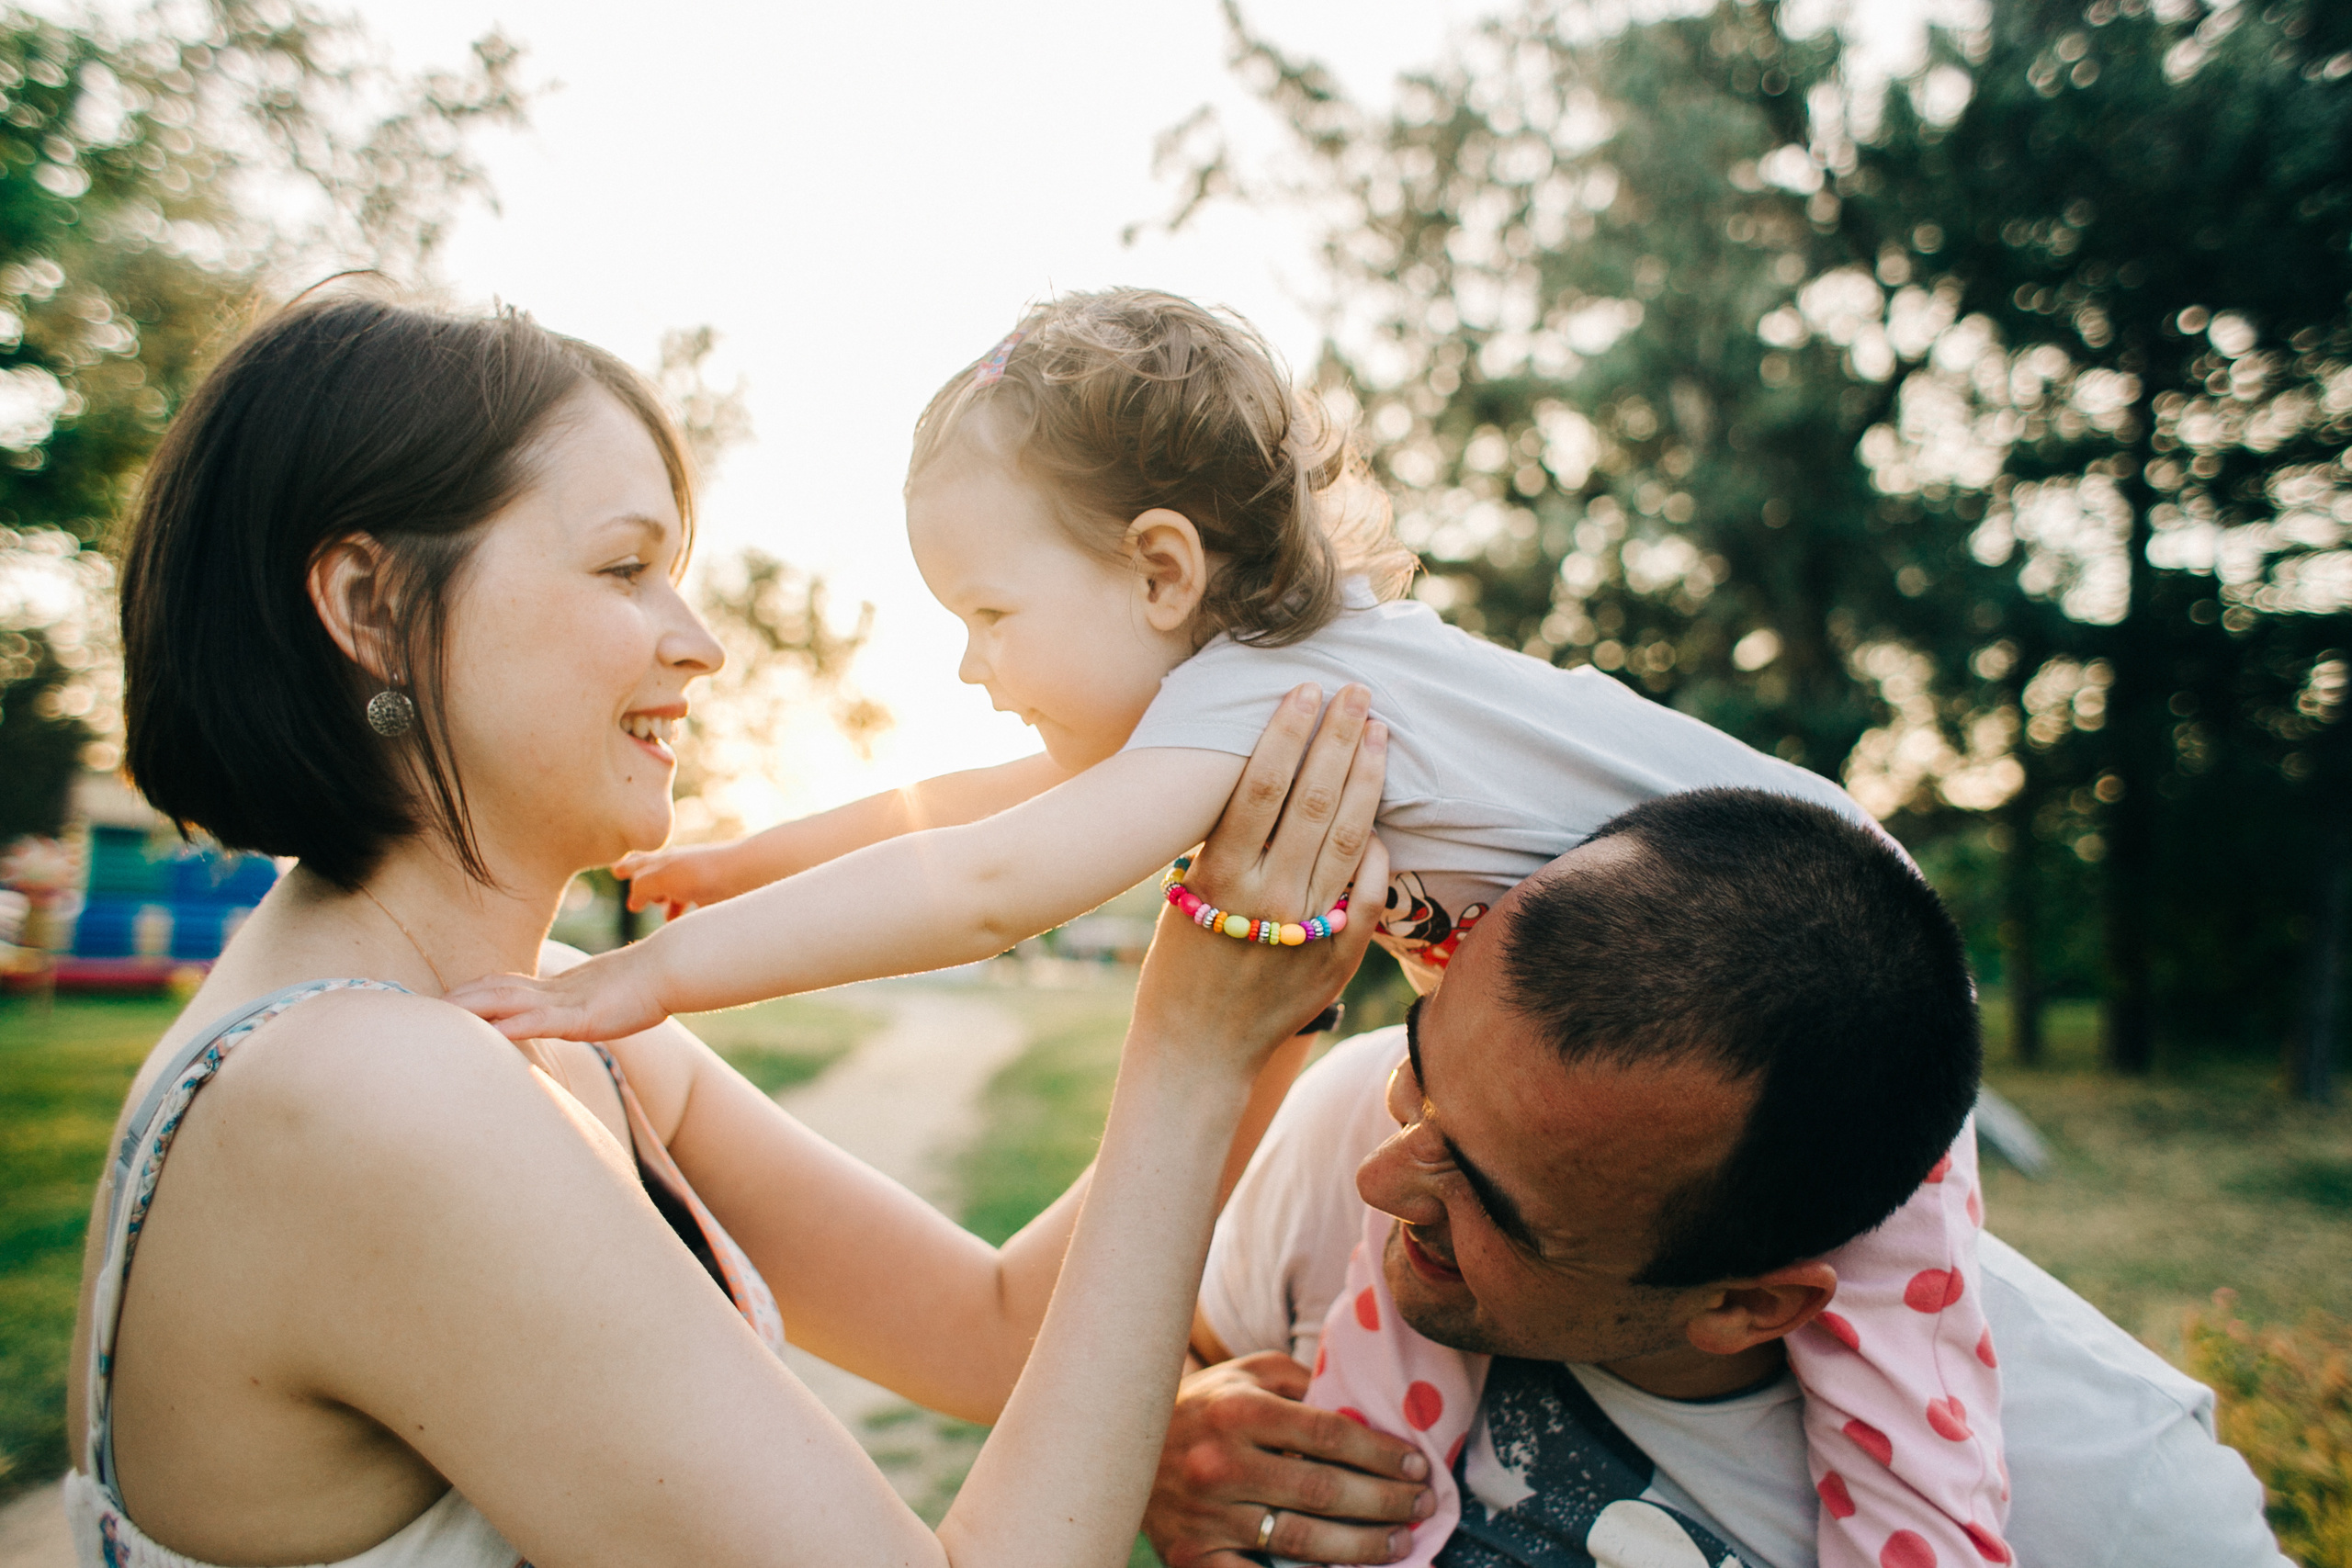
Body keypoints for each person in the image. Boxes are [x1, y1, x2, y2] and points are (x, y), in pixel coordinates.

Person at [449, 288, 2007, 1568]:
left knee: (1914, 1457)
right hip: (1551, 1072)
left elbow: (989, 881)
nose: (974, 665)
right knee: (1382, 1374)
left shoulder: (1266, 686)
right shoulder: (1258, 679)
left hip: (1828, 1007)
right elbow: (977, 804)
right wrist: (748, 862)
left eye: (990, 614)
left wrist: (650, 977)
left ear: (1160, 569)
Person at [65, 290, 1388, 1568]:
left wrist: (1270, 998)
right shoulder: (368, 1093)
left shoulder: (557, 1023)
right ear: (371, 604)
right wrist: (1186, 1052)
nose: (700, 644)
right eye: (625, 568)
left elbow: (991, 1332)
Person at [1142, 791, 2292, 1568]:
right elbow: (1197, 1344)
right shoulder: (1355, 1109)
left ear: (1746, 1304)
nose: (1382, 1177)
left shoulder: (2126, 1502)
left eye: (1490, 1201)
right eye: (1421, 1072)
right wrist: (1166, 1445)